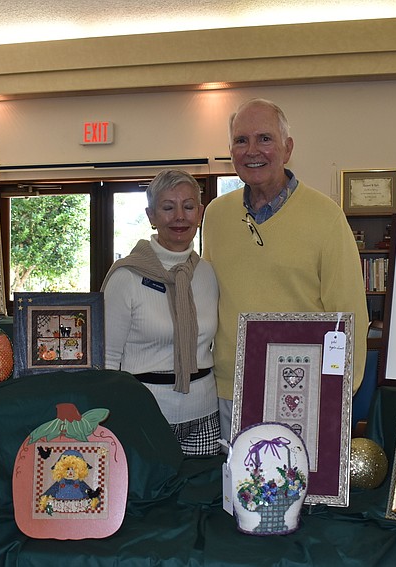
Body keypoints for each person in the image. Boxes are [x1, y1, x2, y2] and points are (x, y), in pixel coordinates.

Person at [202, 98, 368, 442]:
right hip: (229, 390)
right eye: (240, 140)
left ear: (287, 148)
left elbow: (349, 314)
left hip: (303, 391)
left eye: (264, 138)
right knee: (236, 493)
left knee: (299, 491)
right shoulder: (216, 216)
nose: (252, 150)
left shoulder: (326, 216)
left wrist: (340, 391)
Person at [101, 169, 221, 455]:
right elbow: (106, 360)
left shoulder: (207, 273)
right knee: (148, 499)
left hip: (205, 414)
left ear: (200, 213)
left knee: (199, 498)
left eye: (188, 206)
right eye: (168, 207)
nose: (180, 216)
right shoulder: (126, 276)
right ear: (151, 215)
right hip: (144, 415)